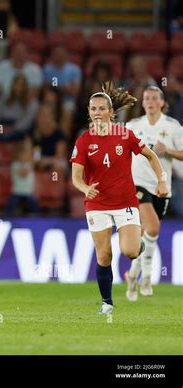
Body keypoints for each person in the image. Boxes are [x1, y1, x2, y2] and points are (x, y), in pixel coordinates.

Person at [69, 82, 167, 315]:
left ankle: (140, 244)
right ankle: (107, 303)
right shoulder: (83, 141)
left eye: (102, 108)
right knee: (104, 255)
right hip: (97, 204)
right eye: (93, 109)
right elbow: (76, 177)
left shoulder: (125, 135)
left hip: (125, 202)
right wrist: (85, 189)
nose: (97, 113)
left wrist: (161, 180)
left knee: (131, 251)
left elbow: (151, 156)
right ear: (89, 112)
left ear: (111, 112)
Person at [124, 86, 183, 301]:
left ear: (161, 102)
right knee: (153, 227)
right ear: (142, 103)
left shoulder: (172, 127)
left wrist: (167, 150)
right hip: (136, 184)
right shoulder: (132, 126)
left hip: (161, 185)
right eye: (146, 98)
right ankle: (147, 277)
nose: (149, 101)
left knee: (148, 234)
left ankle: (132, 274)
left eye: (153, 98)